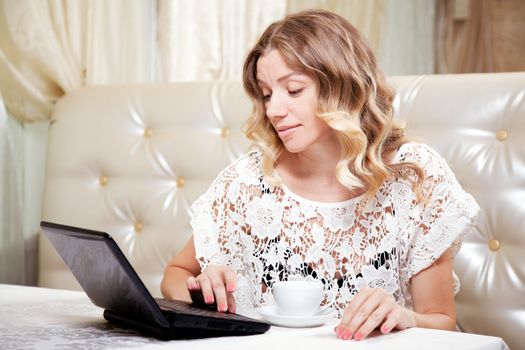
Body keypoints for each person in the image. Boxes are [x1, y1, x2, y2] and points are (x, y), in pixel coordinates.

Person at [161, 9, 480, 341]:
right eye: (267, 94)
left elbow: (441, 320)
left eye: (294, 90)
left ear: (342, 85)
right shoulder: (248, 181)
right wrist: (202, 295)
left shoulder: (412, 176)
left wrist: (402, 316)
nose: (273, 110)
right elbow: (175, 274)